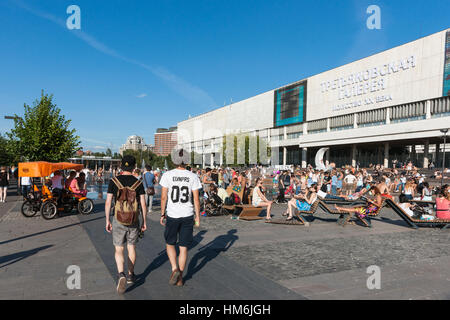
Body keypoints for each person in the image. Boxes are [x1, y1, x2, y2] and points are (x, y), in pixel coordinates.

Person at [105, 155, 147, 294]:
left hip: (118, 219)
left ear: (121, 166)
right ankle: (130, 275)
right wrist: (144, 221)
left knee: (118, 249)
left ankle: (121, 274)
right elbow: (142, 204)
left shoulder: (114, 181)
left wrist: (107, 220)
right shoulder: (138, 183)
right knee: (131, 247)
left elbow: (108, 201)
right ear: (134, 167)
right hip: (133, 220)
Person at [159, 149, 201, 287]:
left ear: (174, 160)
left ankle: (174, 268)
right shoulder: (193, 176)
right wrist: (198, 217)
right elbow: (196, 199)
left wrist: (162, 213)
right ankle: (180, 277)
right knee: (183, 247)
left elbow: (164, 197)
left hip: (172, 214)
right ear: (187, 160)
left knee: (170, 243)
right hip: (188, 214)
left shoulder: (167, 175)